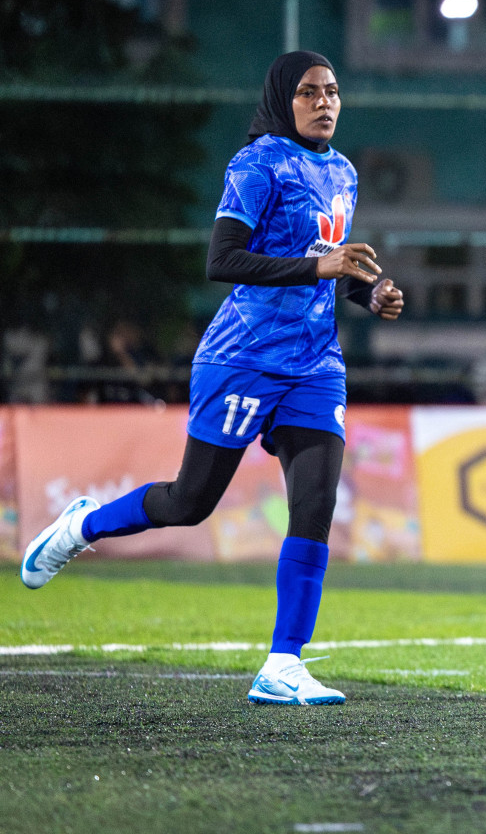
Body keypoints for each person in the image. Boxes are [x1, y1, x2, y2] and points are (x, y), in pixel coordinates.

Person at [20, 51, 404, 706]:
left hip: (314, 363)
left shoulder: (342, 171)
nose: (325, 102)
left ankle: (283, 664)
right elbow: (223, 260)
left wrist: (371, 294)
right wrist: (322, 271)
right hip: (242, 358)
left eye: (333, 92)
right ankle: (83, 526)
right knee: (189, 503)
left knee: (315, 505)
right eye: (310, 92)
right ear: (284, 99)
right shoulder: (255, 165)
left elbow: (326, 262)